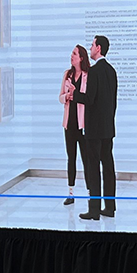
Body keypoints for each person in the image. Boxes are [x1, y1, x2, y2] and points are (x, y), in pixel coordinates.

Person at [67, 35, 118, 220]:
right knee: (109, 167)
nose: (90, 48)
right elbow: (113, 102)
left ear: (98, 48)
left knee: (94, 168)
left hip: (94, 130)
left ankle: (94, 210)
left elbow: (89, 99)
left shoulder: (95, 72)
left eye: (92, 45)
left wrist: (74, 94)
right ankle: (110, 207)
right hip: (108, 129)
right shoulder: (112, 71)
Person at [59, 45, 91, 206]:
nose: (71, 56)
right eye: (71, 53)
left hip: (83, 124)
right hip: (69, 124)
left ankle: (91, 193)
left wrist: (76, 93)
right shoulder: (67, 74)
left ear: (82, 58)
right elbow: (60, 97)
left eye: (74, 54)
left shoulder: (88, 75)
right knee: (71, 158)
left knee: (86, 159)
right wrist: (68, 95)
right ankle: (70, 193)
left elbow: (89, 98)